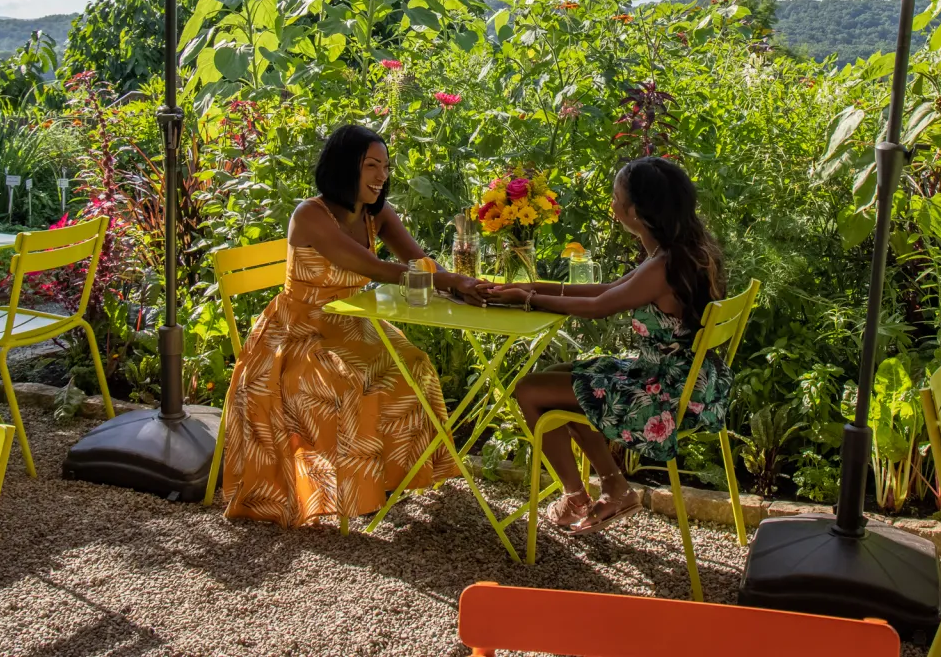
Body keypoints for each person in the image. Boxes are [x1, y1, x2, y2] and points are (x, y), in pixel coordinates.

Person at [222, 124, 481, 526]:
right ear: (345, 166)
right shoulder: (310, 215)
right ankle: (356, 493)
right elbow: (374, 267)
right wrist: (448, 281)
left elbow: (417, 262)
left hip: (353, 324)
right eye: (372, 166)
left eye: (386, 167)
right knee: (351, 385)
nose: (382, 176)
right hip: (298, 333)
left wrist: (462, 284)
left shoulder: (376, 214)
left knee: (415, 366)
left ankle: (393, 478)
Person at [475, 155, 732, 534]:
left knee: (529, 390)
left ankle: (577, 496)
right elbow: (607, 290)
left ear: (635, 211)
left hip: (662, 396)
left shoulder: (664, 265)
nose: (612, 205)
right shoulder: (686, 251)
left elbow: (599, 307)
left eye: (615, 198)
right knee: (564, 376)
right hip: (691, 383)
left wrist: (527, 299)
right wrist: (531, 287)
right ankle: (614, 488)